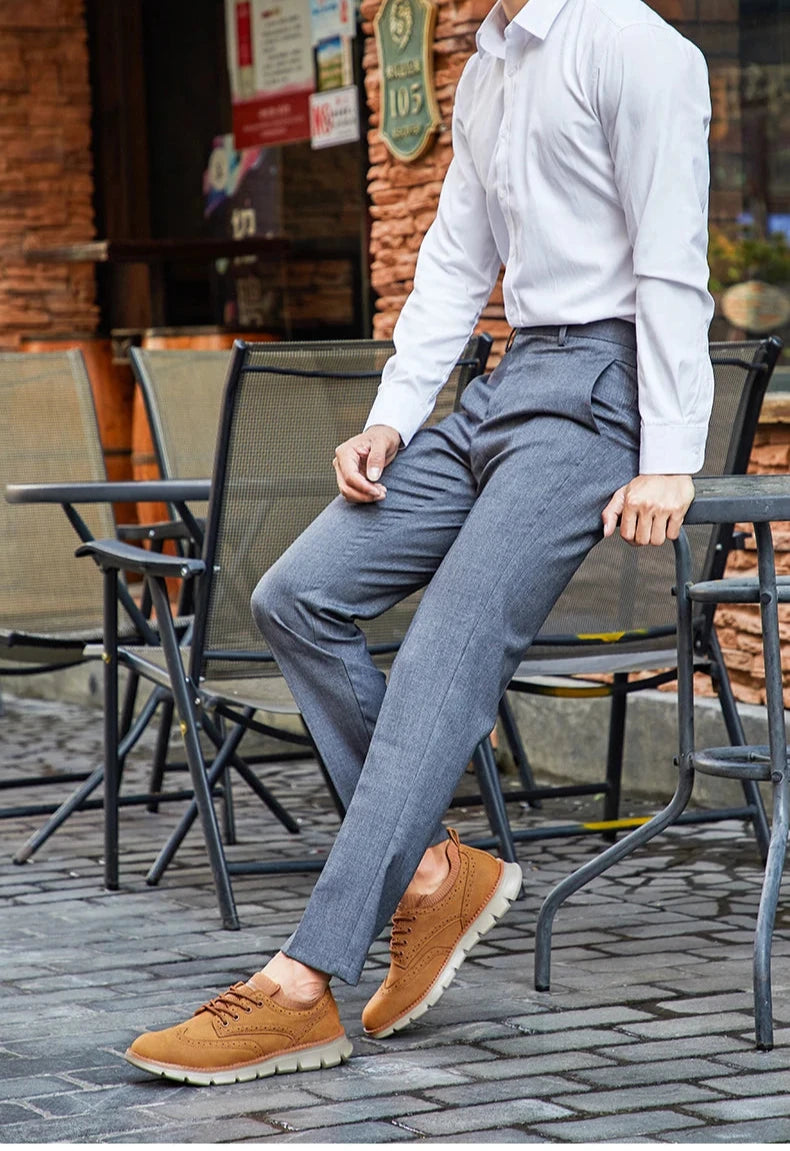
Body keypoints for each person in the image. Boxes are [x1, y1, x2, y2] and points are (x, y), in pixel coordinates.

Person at [125, 0, 714, 1086]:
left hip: (599, 392)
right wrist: (393, 417)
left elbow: (673, 259)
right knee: (298, 594)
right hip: (504, 382)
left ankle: (303, 983)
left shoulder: (633, 46)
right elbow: (452, 258)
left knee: (446, 645)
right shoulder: (488, 68)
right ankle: (435, 875)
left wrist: (672, 451)